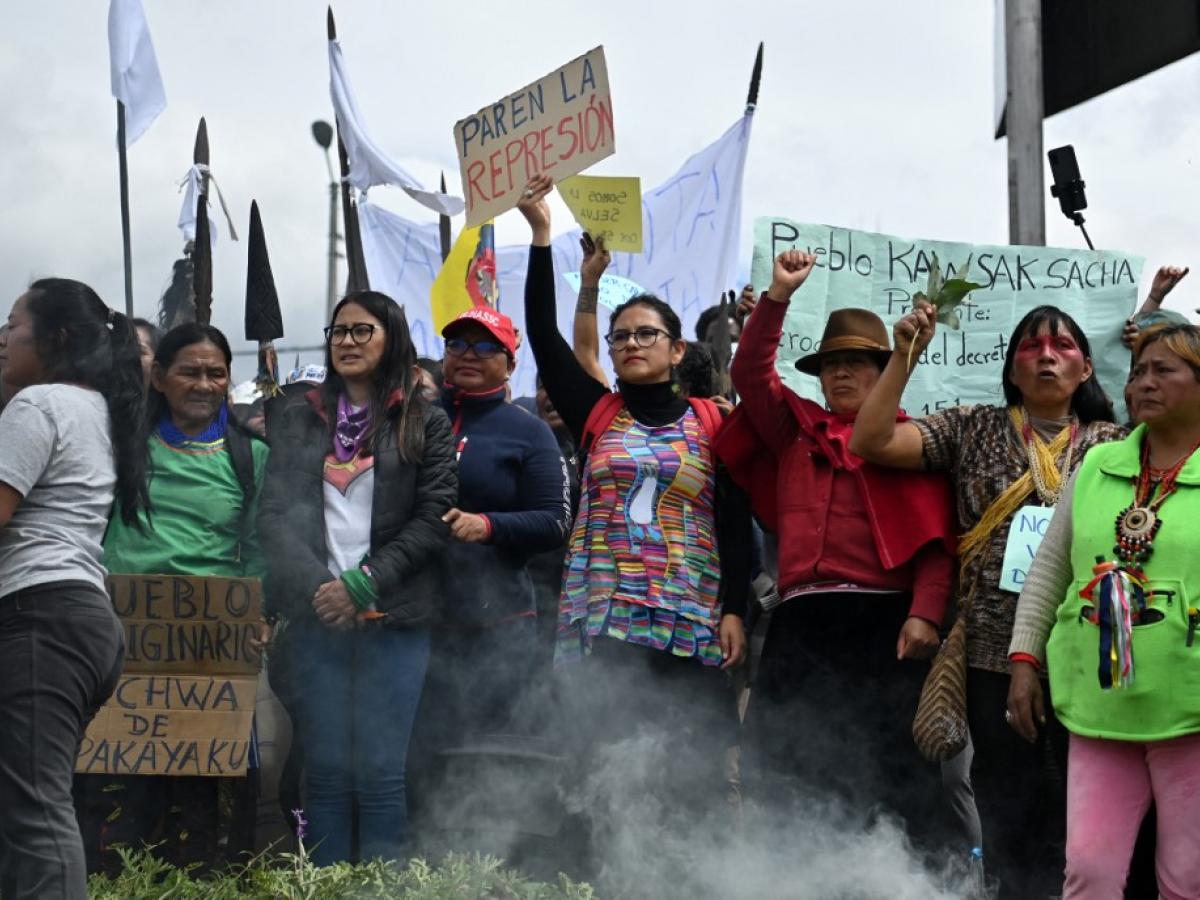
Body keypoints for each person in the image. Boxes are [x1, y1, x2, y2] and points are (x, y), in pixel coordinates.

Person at [849, 296, 1123, 898]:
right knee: (1005, 799)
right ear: (1011, 370)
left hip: (1087, 649)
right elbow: (870, 440)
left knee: (1086, 806)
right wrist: (905, 355)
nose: (1046, 357)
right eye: (1031, 346)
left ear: (1086, 369)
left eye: (1063, 346)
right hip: (992, 651)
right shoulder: (971, 426)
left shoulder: (1117, 445)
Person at [518, 174, 750, 844]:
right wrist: (541, 235)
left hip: (691, 621)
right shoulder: (598, 412)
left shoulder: (714, 421)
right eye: (620, 337)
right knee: (608, 778)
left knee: (693, 781)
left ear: (677, 350)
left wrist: (735, 608)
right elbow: (544, 336)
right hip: (610, 622)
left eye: (646, 334)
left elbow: (734, 522)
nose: (630, 344)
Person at [717, 251, 958, 848]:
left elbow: (937, 542)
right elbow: (750, 375)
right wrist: (777, 296)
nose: (841, 374)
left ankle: (897, 884)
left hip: (883, 623)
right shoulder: (795, 429)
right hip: (801, 619)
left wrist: (926, 613)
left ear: (885, 369)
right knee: (782, 764)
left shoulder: (912, 441)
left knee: (890, 770)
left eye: (856, 363)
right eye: (830, 365)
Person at [258, 291, 456, 865]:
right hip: (318, 617)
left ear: (391, 338)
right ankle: (327, 889)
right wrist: (322, 589)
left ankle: (381, 889)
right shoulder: (299, 419)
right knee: (324, 771)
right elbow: (274, 516)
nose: (346, 341)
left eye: (362, 330)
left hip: (395, 619)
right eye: (339, 331)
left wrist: (362, 584)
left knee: (379, 773)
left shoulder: (425, 421)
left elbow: (434, 517)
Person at [1006, 323, 1200, 900]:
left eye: (1163, 370)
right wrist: (1023, 660)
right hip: (1099, 702)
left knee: (1187, 878)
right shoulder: (1097, 465)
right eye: (1138, 372)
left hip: (1191, 708)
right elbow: (1049, 567)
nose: (1144, 383)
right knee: (1089, 870)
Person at [75, 322, 270, 874]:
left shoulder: (251, 456)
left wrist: (257, 615)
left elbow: (259, 547)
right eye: (189, 372)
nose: (204, 384)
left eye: (216, 373)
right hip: (124, 637)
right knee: (119, 790)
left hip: (212, 645)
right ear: (158, 377)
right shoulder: (120, 447)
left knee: (205, 791)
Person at [0, 278, 148, 900]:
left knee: (36, 812)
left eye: (13, 325)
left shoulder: (39, 405)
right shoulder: (95, 408)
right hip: (73, 620)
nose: (3, 338)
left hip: (42, 619)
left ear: (55, 338)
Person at [408, 306, 570, 832]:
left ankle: (493, 867)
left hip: (497, 626)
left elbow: (555, 521)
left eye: (484, 347)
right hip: (415, 621)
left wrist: (489, 525)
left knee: (492, 765)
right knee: (417, 762)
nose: (469, 355)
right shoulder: (413, 420)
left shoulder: (529, 432)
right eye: (457, 344)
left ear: (510, 361)